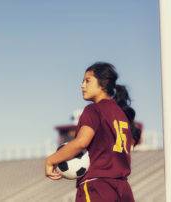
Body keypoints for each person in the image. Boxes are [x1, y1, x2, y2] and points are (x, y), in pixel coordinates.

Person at [45, 62, 141, 202]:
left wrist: (51, 160)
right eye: (83, 81)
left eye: (88, 81)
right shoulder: (121, 114)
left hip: (98, 187)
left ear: (104, 83)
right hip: (123, 189)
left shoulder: (93, 110)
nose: (82, 85)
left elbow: (81, 142)